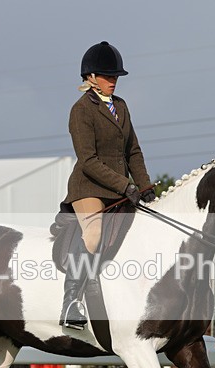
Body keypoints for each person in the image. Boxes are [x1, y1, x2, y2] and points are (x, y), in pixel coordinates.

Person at [60, 41, 156, 329]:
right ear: (90, 77)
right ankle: (71, 302)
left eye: (115, 77)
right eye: (107, 76)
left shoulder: (122, 106)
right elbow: (87, 160)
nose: (113, 81)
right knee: (93, 234)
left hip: (120, 188)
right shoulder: (81, 110)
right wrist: (125, 185)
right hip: (88, 187)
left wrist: (146, 187)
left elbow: (133, 151)